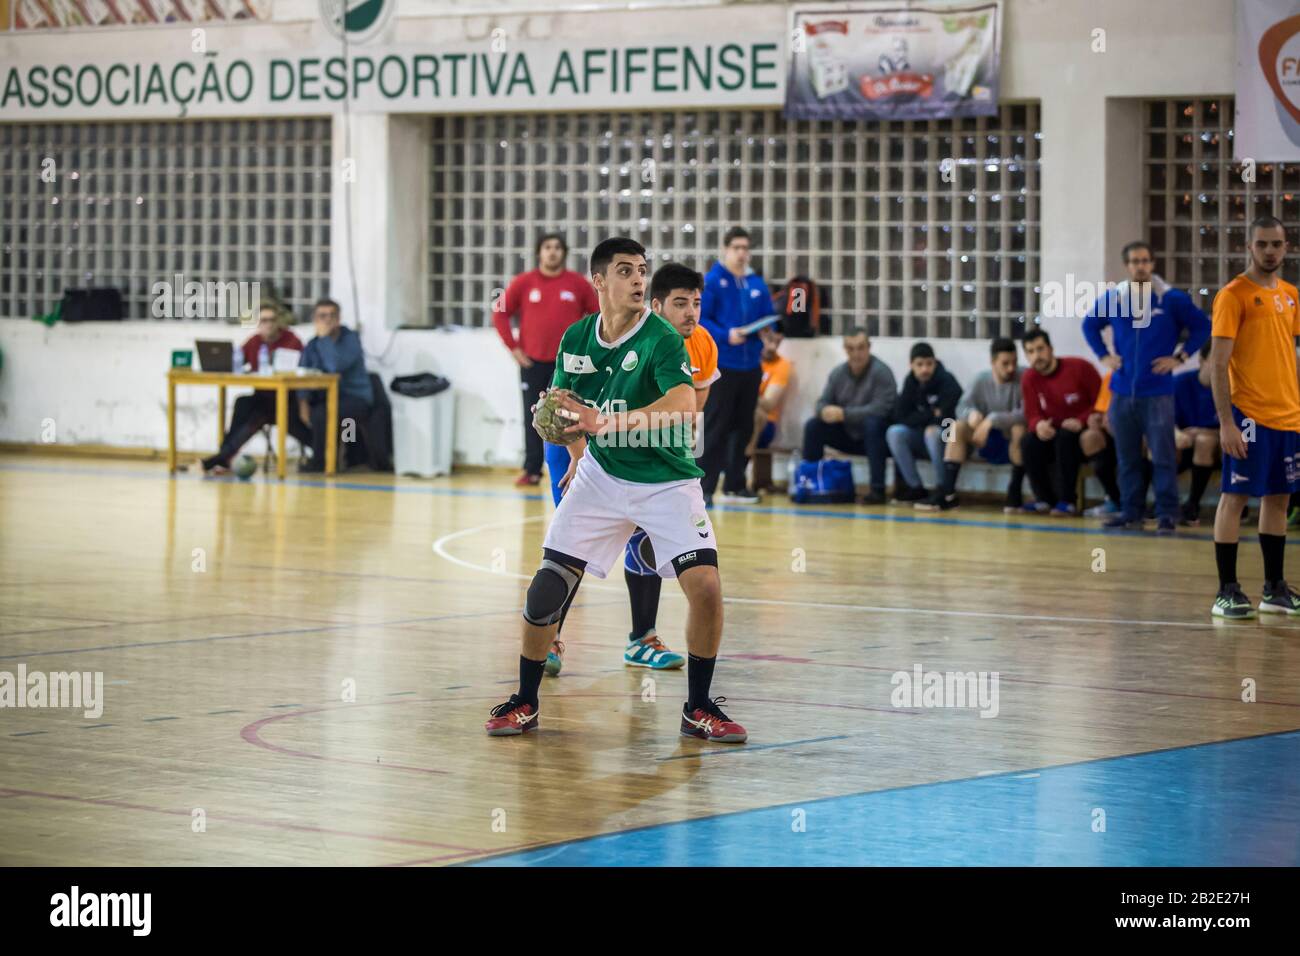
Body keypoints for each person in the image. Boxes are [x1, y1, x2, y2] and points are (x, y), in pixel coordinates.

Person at [485, 238, 745, 743]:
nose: (638, 280)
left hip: (667, 480)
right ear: (599, 282)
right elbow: (566, 403)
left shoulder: (662, 339)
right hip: (601, 478)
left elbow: (683, 403)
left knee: (707, 590)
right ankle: (524, 701)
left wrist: (601, 423)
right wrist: (573, 443)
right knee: (545, 593)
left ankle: (697, 708)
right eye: (625, 271)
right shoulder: (576, 338)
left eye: (642, 271)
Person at [541, 262, 715, 678]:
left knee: (649, 544)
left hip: (650, 453)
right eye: (680, 304)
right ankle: (551, 637)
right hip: (582, 451)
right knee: (571, 555)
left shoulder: (701, 344)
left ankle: (641, 637)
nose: (691, 313)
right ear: (655, 306)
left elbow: (692, 412)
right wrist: (580, 457)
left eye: (696, 304)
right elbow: (570, 406)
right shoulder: (625, 338)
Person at [1083, 241, 1211, 534]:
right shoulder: (1115, 299)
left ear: (1152, 264)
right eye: (1134, 261)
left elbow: (1202, 326)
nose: (1140, 266)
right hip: (1123, 391)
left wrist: (1179, 357)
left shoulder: (1170, 299)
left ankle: (1167, 513)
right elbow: (1089, 325)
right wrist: (1103, 356)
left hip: (1158, 393)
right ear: (1127, 266)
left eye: (1145, 261)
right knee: (1127, 456)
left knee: (1163, 455)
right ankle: (1131, 511)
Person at [1208, 215, 1300, 618]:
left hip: (1288, 416)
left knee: (1278, 498)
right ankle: (1227, 590)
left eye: (1275, 244)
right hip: (1248, 415)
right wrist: (1227, 422)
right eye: (1261, 244)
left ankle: (1274, 588)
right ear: (1249, 247)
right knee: (1235, 497)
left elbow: (1287, 354)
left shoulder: (1292, 295)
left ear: (1286, 248)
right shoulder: (1233, 295)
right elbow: (1218, 364)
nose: (1269, 251)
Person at [493, 233, 599, 488]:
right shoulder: (524, 282)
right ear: (539, 252)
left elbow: (598, 315)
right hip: (533, 363)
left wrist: (591, 350)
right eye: (547, 247)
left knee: (571, 417)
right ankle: (532, 470)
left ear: (564, 253)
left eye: (557, 248)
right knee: (534, 415)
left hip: (570, 365)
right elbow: (499, 312)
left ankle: (583, 466)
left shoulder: (577, 284)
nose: (552, 252)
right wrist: (514, 347)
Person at [698, 226, 773, 505]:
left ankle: (736, 483)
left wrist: (769, 335)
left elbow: (768, 317)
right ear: (726, 250)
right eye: (737, 248)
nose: (742, 253)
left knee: (744, 426)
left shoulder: (757, 284)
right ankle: (705, 487)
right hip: (723, 365)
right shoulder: (713, 281)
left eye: (745, 248)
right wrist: (725, 335)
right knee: (715, 426)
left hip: (751, 364)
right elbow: (701, 320)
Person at [917, 337, 1023, 512]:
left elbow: (1025, 414)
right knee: (956, 427)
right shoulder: (980, 380)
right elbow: (961, 408)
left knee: (1019, 429)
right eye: (1005, 363)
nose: (1011, 368)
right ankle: (947, 493)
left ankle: (1015, 494)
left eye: (1014, 362)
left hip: (1013, 442)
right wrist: (971, 414)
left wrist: (992, 419)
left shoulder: (1024, 377)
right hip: (984, 440)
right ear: (993, 362)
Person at [201, 304, 306, 474]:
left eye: (272, 320)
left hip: (288, 399)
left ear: (279, 321)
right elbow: (236, 362)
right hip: (262, 396)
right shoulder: (254, 341)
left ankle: (221, 458)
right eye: (264, 320)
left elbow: (302, 367)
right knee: (242, 403)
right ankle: (224, 456)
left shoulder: (292, 340)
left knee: (255, 416)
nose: (269, 324)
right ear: (258, 323)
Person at [802, 328, 897, 504]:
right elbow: (822, 402)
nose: (856, 353)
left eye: (860, 348)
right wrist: (823, 411)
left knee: (873, 424)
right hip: (847, 435)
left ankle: (877, 490)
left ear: (869, 347)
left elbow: (882, 409)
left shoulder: (882, 372)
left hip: (876, 439)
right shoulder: (838, 373)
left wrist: (845, 414)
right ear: (845, 349)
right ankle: (810, 483)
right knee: (813, 426)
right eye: (851, 348)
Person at [1019, 328, 1101, 516]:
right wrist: (1038, 424)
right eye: (1030, 351)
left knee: (1066, 438)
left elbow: (1101, 402)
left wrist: (1081, 421)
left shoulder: (1080, 367)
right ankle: (1044, 500)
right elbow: (1032, 414)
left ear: (1051, 349)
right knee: (1028, 442)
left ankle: (1067, 501)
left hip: (1082, 431)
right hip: (1053, 431)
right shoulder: (1029, 378)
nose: (1036, 356)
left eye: (1040, 349)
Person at [297, 298, 372, 474]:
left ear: (339, 318)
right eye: (322, 316)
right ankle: (327, 450)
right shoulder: (312, 344)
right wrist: (302, 403)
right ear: (315, 319)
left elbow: (335, 366)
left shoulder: (351, 339)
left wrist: (324, 339)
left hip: (355, 397)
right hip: (325, 397)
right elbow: (302, 372)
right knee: (291, 411)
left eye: (332, 315)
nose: (327, 320)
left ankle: (322, 462)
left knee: (326, 414)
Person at [887, 342, 962, 502]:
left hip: (952, 439)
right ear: (911, 365)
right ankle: (915, 487)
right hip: (923, 435)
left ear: (935, 362)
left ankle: (943, 488)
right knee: (894, 432)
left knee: (933, 433)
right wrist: (931, 414)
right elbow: (900, 416)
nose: (924, 369)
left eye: (929, 364)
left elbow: (949, 417)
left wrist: (926, 419)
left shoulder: (947, 381)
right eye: (919, 364)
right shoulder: (910, 382)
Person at [1174, 341, 1219, 526]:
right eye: (1215, 359)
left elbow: (1238, 427)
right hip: (1185, 441)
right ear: (1202, 360)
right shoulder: (1180, 382)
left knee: (1204, 441)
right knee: (1153, 441)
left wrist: (1201, 431)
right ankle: (1159, 504)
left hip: (1217, 444)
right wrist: (1176, 433)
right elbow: (1164, 418)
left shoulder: (1235, 387)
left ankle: (1193, 504)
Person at [1079, 370, 1127, 518]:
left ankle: (1134, 503)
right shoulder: (1112, 376)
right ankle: (1114, 500)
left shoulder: (1151, 374)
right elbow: (1101, 410)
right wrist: (1096, 419)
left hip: (1138, 432)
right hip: (1111, 432)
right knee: (1090, 437)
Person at [746, 324, 792, 462]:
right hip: (738, 415)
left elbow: (769, 404)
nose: (772, 347)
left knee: (756, 413)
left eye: (777, 342)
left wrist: (742, 392)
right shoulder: (745, 359)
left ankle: (744, 463)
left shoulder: (781, 365)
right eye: (769, 340)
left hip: (766, 423)